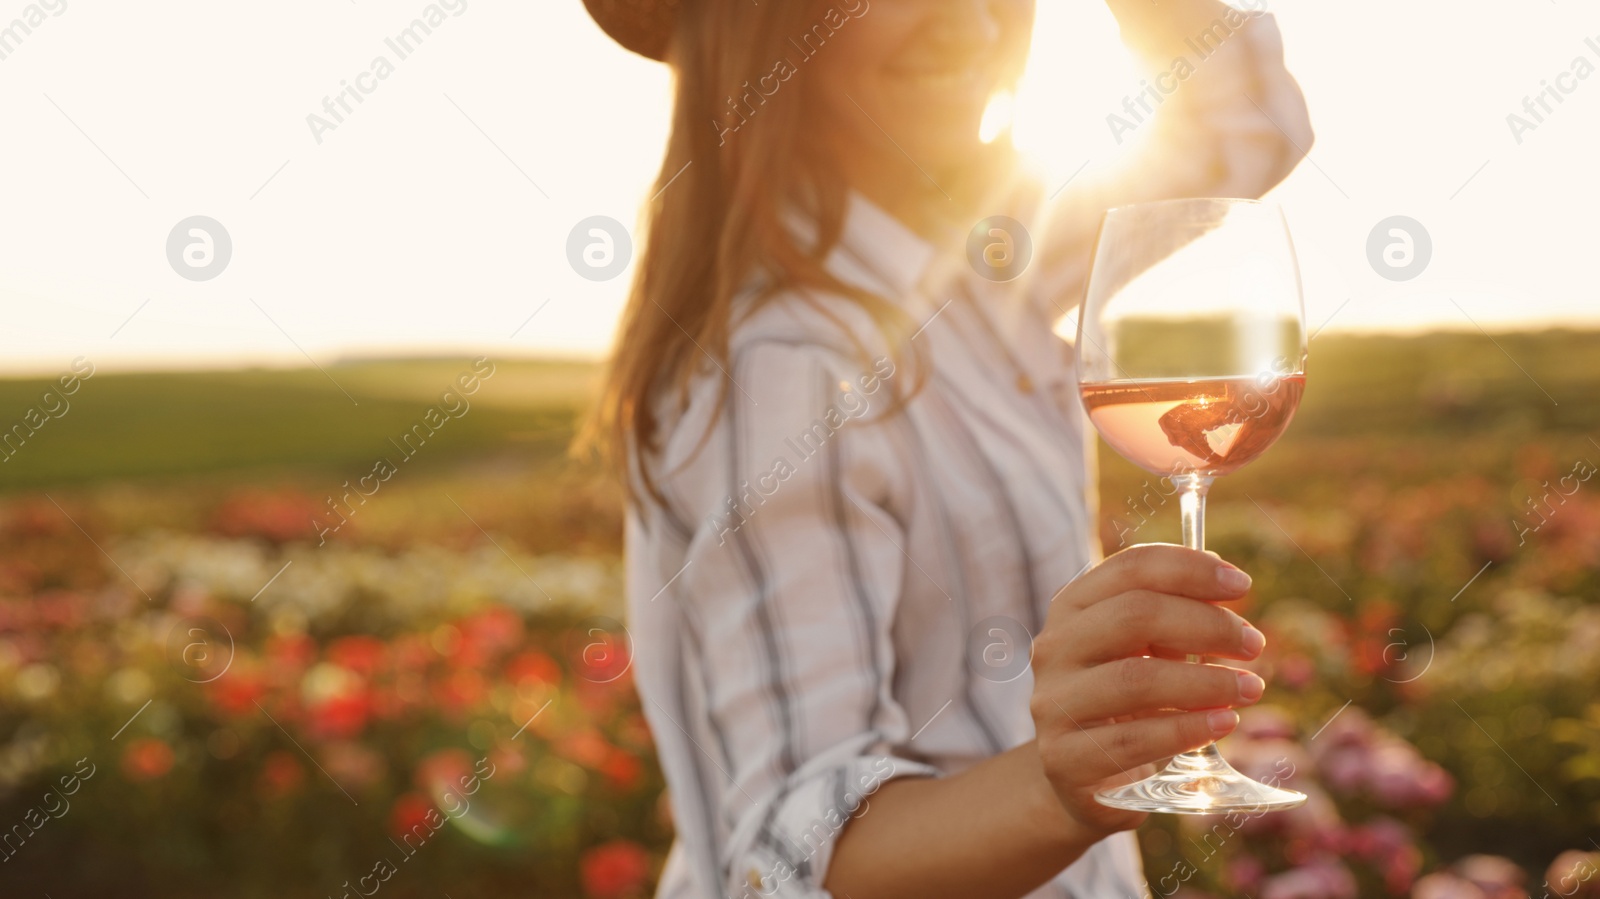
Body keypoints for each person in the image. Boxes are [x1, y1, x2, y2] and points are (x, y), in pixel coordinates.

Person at [577, 1, 1312, 897]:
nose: (970, 23)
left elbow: (1246, 123)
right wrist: (1060, 784)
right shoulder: (787, 365)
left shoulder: (982, 268)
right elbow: (796, 856)